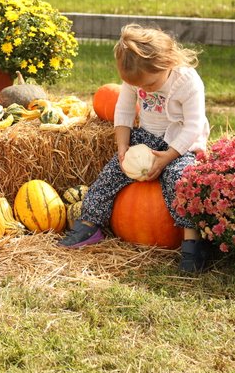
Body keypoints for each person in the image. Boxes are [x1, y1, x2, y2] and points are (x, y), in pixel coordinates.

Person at [59, 23, 213, 273]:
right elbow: (125, 110)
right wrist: (123, 146)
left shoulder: (187, 81)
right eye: (140, 87)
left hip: (183, 144)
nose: (146, 90)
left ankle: (193, 241)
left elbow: (193, 126)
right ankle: (89, 224)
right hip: (148, 137)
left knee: (180, 179)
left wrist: (168, 157)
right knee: (111, 172)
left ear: (166, 62)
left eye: (150, 85)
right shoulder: (136, 79)